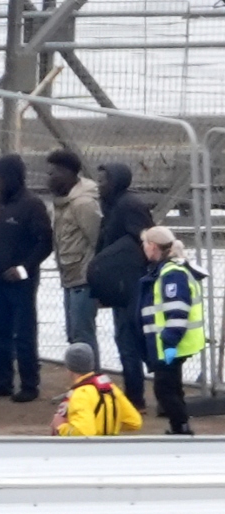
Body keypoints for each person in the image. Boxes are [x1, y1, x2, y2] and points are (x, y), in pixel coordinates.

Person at [0, 154, 52, 402]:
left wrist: (23, 268)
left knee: (24, 333)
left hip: (22, 281)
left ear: (13, 177)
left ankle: (30, 385)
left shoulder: (32, 205)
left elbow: (45, 243)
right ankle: (3, 381)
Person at [88, 163, 154, 410]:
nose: (99, 184)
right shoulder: (111, 205)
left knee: (130, 341)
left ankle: (136, 398)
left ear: (115, 182)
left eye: (103, 180)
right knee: (123, 339)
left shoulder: (130, 206)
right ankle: (134, 394)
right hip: (118, 287)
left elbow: (147, 243)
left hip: (133, 286)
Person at [139, 226, 204, 435]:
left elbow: (177, 312)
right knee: (172, 388)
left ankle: (181, 429)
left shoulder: (171, 274)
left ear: (153, 246)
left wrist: (169, 342)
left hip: (171, 343)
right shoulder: (167, 270)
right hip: (169, 342)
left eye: (145, 244)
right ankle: (180, 427)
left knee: (165, 390)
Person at [46, 149, 102, 367]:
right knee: (72, 334)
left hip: (84, 278)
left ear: (68, 173)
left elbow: (96, 239)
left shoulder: (83, 203)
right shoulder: (61, 202)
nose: (48, 179)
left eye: (52, 174)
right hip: (69, 276)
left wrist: (93, 274)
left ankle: (93, 384)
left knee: (83, 336)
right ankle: (82, 383)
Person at [51, 342, 142, 437]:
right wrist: (106, 423)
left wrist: (61, 427)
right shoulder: (110, 387)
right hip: (111, 447)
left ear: (69, 368)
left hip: (90, 450)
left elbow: (83, 433)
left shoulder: (80, 394)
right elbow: (134, 422)